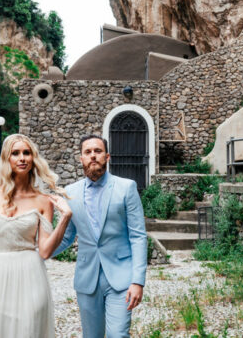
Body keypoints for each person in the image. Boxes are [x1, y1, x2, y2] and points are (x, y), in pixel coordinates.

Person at [0, 133, 72, 338]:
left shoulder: (43, 200)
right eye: (15, 153)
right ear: (6, 158)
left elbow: (45, 251)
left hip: (30, 277)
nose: (22, 158)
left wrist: (65, 217)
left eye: (27, 153)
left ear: (34, 159)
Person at [53, 134, 147, 338]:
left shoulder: (126, 187)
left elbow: (138, 236)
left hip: (122, 278)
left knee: (117, 335)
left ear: (107, 156)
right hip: (87, 278)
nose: (93, 156)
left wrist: (138, 281)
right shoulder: (70, 192)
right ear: (81, 159)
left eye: (98, 151)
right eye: (88, 152)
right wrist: (39, 252)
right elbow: (67, 237)